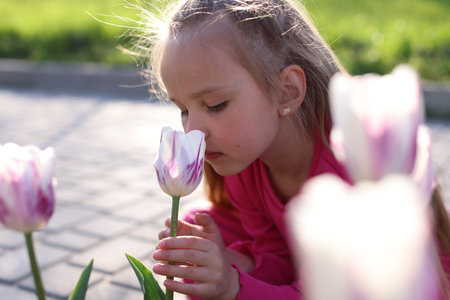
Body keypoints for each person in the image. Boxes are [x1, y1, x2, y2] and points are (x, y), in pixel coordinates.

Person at [126, 0, 450, 299]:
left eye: (215, 104)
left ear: (286, 92)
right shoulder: (244, 161)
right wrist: (227, 262)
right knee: (197, 228)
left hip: (399, 281)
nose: (192, 130)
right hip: (321, 263)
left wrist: (231, 284)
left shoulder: (348, 167)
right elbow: (278, 255)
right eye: (183, 109)